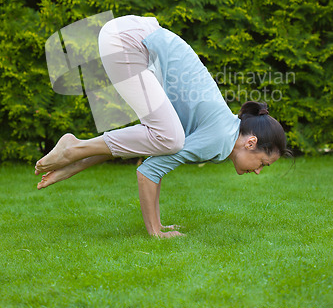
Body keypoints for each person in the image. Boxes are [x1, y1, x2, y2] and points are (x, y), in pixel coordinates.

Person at [35, 15, 292, 238]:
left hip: (129, 38)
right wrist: (155, 233)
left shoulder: (221, 131)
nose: (258, 172)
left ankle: (75, 154)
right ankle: (74, 147)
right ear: (251, 143)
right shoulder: (218, 138)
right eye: (262, 164)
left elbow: (147, 151)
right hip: (130, 42)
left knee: (164, 138)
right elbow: (148, 171)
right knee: (170, 139)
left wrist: (74, 166)